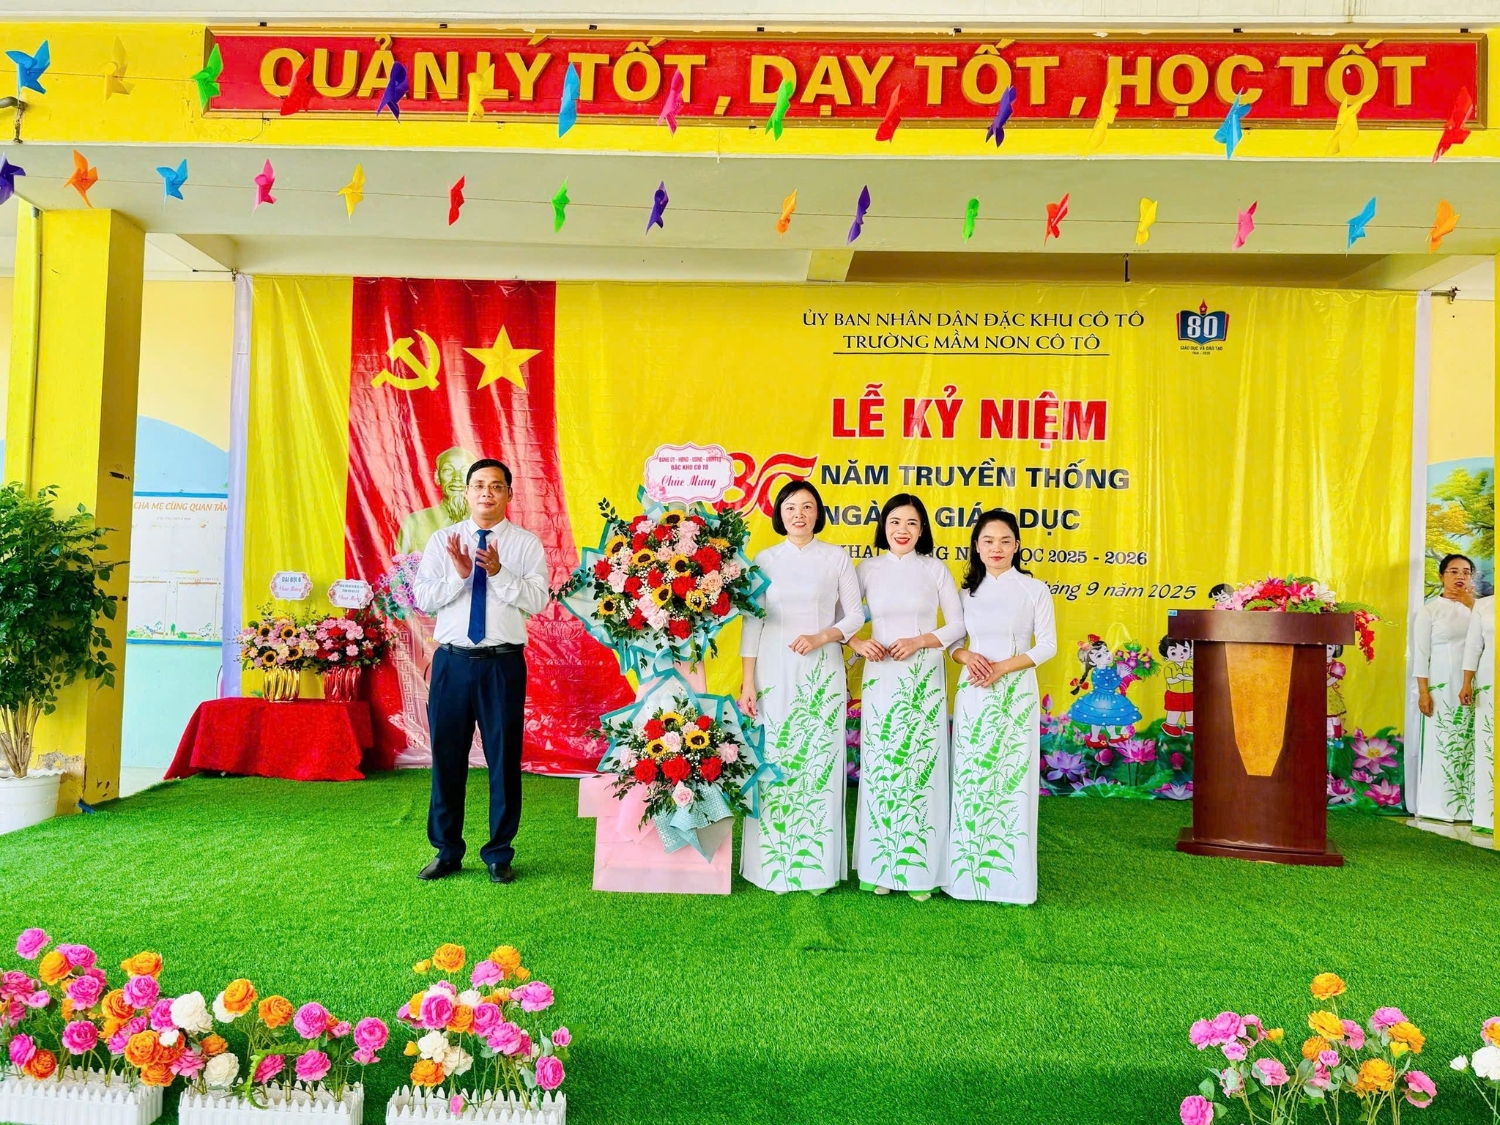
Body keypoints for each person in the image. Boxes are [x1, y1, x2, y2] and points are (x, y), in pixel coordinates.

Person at [411, 459, 549, 882]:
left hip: (501, 665)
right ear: (467, 493)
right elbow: (423, 598)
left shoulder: (525, 544)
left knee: (503, 760)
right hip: (451, 663)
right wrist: (461, 576)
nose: (487, 492)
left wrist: (498, 572)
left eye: (496, 486)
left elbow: (538, 600)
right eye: (479, 485)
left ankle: (498, 854)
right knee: (446, 758)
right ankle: (446, 850)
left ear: (509, 494)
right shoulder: (443, 540)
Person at [738, 481, 864, 894]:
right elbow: (752, 623)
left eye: (807, 507)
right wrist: (747, 683)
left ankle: (816, 869)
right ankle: (773, 865)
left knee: (819, 758)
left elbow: (855, 617)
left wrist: (821, 637)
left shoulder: (836, 558)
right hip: (773, 670)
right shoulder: (765, 560)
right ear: (779, 513)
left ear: (817, 514)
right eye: (791, 507)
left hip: (822, 669)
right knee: (776, 755)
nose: (799, 514)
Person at [851, 494, 965, 901]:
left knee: (921, 766)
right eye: (895, 522)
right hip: (881, 674)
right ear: (883, 527)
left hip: (924, 676)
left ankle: (920, 870)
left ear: (922, 530)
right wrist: (858, 642)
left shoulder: (935, 569)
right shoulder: (867, 569)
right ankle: (879, 866)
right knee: (882, 764)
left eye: (912, 523)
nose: (902, 530)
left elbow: (957, 625)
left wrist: (919, 641)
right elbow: (842, 618)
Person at [946, 509, 1056, 905]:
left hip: (1015, 693)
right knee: (972, 776)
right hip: (974, 692)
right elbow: (953, 643)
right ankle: (966, 878)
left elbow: (1047, 645)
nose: (997, 548)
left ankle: (1011, 882)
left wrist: (1000, 668)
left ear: (1017, 546)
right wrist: (967, 658)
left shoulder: (1034, 589)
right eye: (989, 541)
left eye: (1005, 541)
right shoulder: (965, 594)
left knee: (1011, 778)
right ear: (977, 546)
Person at [1414, 553, 1476, 822]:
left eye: (1466, 572)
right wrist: (1424, 693)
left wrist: (1472, 605)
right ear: (1441, 576)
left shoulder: (1481, 609)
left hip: (1476, 684)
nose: (1460, 576)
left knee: (1472, 742)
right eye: (1454, 571)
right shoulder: (1429, 611)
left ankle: (1472, 807)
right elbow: (1420, 655)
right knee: (1444, 740)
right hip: (1441, 683)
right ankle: (1439, 806)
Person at [396, 446, 479, 554]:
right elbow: (401, 562)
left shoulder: (490, 522)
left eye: (465, 470)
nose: (457, 478)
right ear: (437, 477)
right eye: (448, 470)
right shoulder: (414, 522)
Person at [1461, 593, 1496, 831]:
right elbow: (1473, 647)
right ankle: (1487, 815)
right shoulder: (1484, 605)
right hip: (1489, 680)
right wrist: (1467, 683)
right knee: (1489, 742)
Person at [1067, 639, 1142, 747]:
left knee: (1110, 719)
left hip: (1110, 698)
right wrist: (1121, 676)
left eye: (1106, 651)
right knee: (1097, 720)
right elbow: (1109, 685)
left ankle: (1113, 736)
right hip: (1100, 700)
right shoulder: (1097, 673)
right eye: (1099, 656)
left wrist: (1124, 667)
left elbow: (1114, 674)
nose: (1106, 655)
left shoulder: (1108, 669)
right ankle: (1094, 738)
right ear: (1092, 662)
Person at [1159, 637, 1194, 737]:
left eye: (1185, 650)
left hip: (1190, 692)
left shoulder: (1190, 665)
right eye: (1174, 653)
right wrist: (1179, 678)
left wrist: (1186, 678)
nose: (1181, 654)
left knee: (1190, 709)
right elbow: (1169, 680)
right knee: (1174, 710)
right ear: (1166, 657)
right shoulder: (1169, 668)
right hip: (1174, 694)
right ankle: (1170, 725)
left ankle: (1190, 725)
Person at [1326, 645, 1347, 741]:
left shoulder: (1337, 666)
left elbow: (1329, 682)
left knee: (1334, 717)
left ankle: (1337, 737)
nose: (1326, 650)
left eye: (1330, 648)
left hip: (1330, 695)